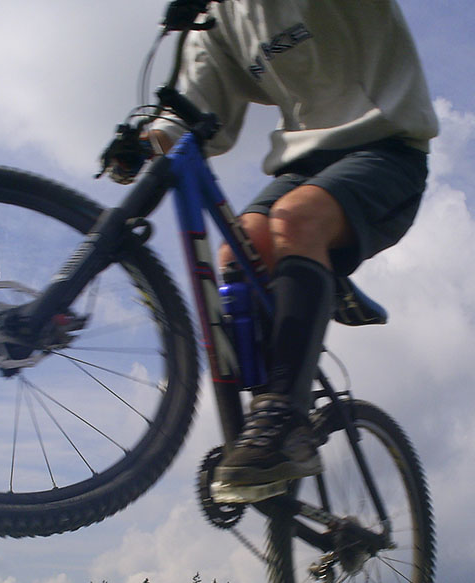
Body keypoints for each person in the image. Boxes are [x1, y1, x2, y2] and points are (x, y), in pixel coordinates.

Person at [151, 0, 439, 496]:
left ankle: (284, 418)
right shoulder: (221, 16)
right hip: (302, 166)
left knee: (295, 221)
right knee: (237, 254)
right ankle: (265, 424)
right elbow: (195, 108)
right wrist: (151, 136)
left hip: (387, 146)